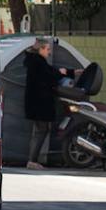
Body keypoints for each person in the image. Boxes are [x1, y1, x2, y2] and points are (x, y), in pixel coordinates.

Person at [23, 37, 74, 170]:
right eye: (48, 49)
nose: (49, 52)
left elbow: (50, 72)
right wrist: (62, 74)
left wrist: (69, 72)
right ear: (40, 49)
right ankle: (32, 160)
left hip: (36, 103)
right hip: (40, 103)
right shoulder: (38, 63)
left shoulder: (35, 62)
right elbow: (49, 77)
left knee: (39, 131)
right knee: (41, 131)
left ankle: (32, 159)